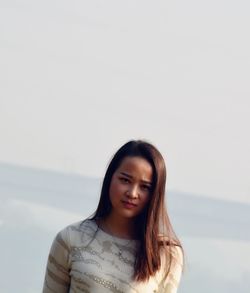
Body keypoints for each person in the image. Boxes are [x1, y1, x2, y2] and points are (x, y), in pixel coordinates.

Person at [43, 140, 184, 293]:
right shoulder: (70, 238)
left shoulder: (167, 253)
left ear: (155, 194)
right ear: (110, 178)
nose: (132, 193)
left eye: (144, 187)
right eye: (125, 180)